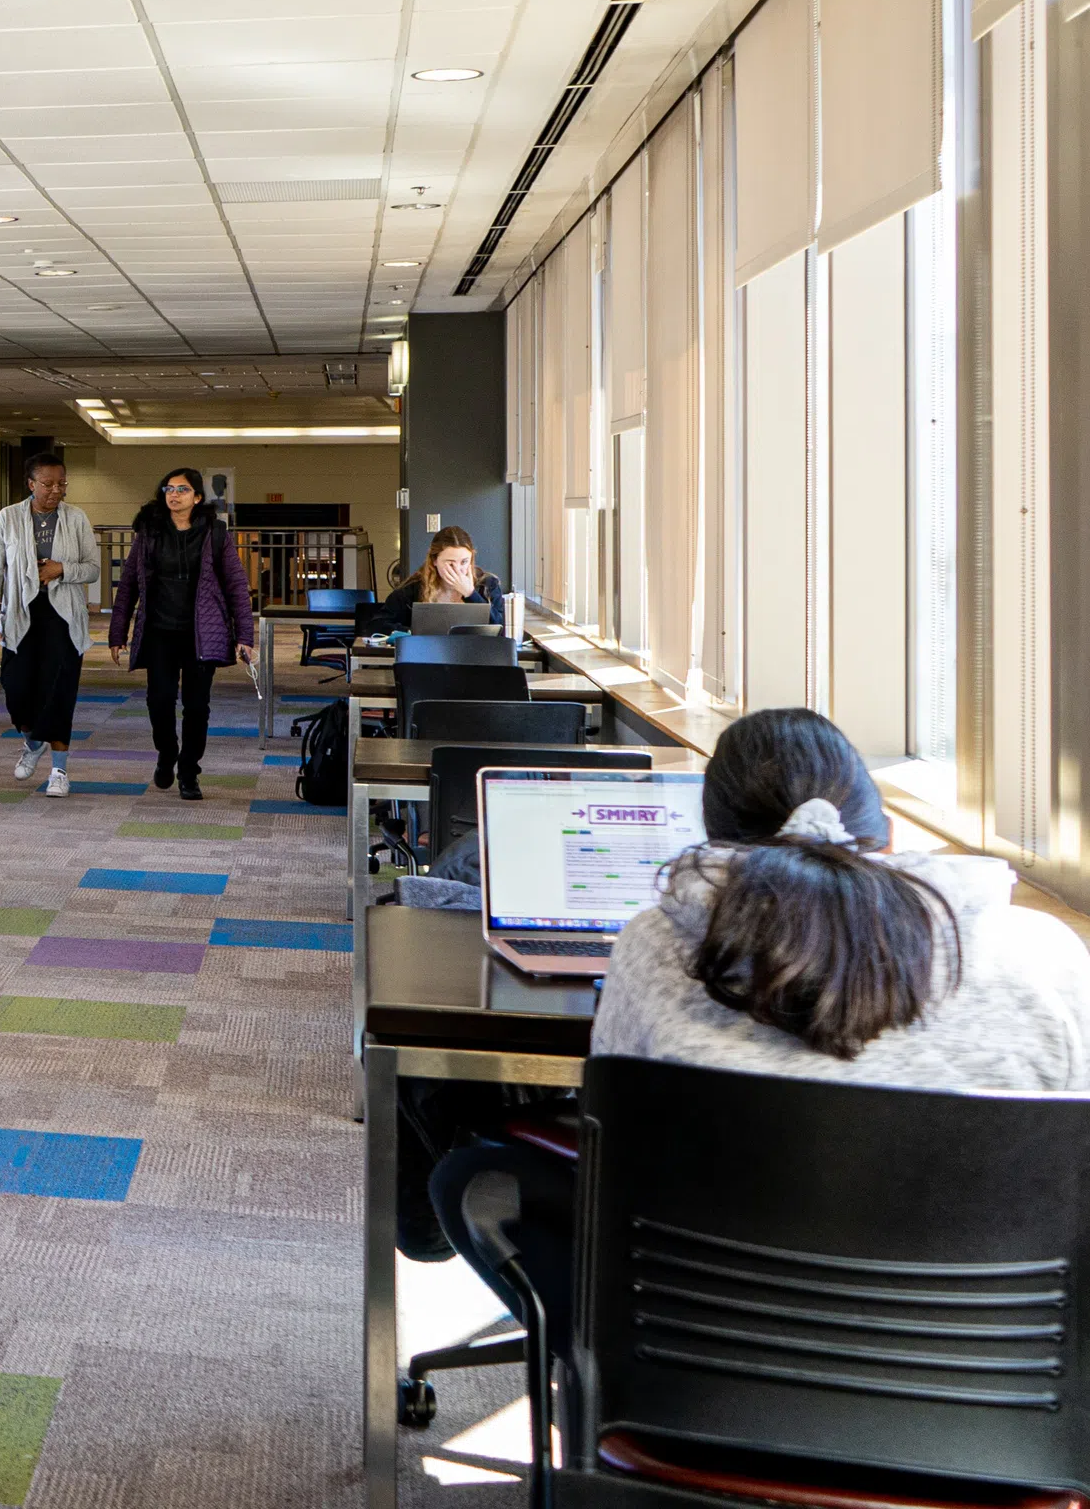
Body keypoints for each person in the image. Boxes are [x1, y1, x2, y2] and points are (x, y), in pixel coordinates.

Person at [428, 708, 1090, 1380]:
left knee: (475, 1171)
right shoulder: (1045, 958)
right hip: (997, 1386)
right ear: (886, 835)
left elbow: (611, 1134)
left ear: (711, 839)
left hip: (697, 1370)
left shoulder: (657, 946)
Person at [105, 466, 255, 800]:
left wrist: (245, 634)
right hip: (159, 630)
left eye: (182, 489)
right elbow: (129, 583)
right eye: (168, 489)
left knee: (197, 706)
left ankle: (189, 770)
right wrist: (118, 633)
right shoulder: (150, 532)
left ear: (198, 497)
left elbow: (236, 585)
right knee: (158, 700)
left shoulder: (215, 533)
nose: (174, 495)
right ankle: (167, 752)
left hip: (202, 632)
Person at [0, 451, 100, 795]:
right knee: (16, 688)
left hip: (63, 617)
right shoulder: (8, 518)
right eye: (47, 484)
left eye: (61, 483)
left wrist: (62, 569)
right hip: (21, 615)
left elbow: (93, 568)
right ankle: (32, 742)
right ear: (31, 484)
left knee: (60, 691)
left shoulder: (76, 518)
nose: (56, 490)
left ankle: (59, 772)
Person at [372, 526, 506, 631]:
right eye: (450, 563)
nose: (458, 570)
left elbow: (500, 628)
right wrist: (412, 633)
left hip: (476, 656)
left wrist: (471, 594)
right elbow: (377, 624)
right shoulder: (414, 588)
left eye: (464, 562)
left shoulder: (488, 585)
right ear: (434, 561)